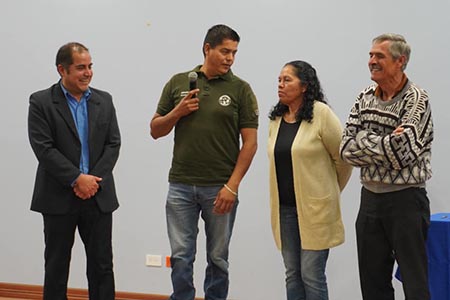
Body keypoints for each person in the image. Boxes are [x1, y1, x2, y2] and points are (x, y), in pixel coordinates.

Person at [150, 24, 258, 300]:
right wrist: (178, 111)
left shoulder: (240, 89)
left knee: (218, 259)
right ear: (207, 49)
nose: (230, 58)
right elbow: (155, 130)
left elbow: (250, 143)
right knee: (181, 257)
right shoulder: (177, 82)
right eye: (224, 51)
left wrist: (232, 186)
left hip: (220, 188)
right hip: (181, 186)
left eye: (234, 53)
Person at [340, 33, 433, 300]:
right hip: (369, 200)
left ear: (400, 61)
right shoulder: (364, 97)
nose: (371, 61)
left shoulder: (416, 99)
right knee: (372, 283)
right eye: (371, 55)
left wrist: (366, 142)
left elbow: (401, 153)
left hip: (407, 202)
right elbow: (345, 149)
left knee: (415, 283)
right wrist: (386, 141)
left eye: (379, 56)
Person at [27, 42, 121, 300]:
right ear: (62, 70)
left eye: (90, 66)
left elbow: (113, 144)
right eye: (80, 67)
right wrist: (76, 179)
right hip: (58, 197)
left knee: (102, 266)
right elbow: (44, 149)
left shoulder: (104, 100)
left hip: (98, 196)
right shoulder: (41, 102)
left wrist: (92, 182)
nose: (88, 72)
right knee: (57, 266)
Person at [267, 60, 352, 300]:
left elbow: (343, 158)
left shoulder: (321, 114)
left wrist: (330, 191)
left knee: (312, 274)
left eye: (287, 80)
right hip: (284, 210)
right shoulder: (276, 119)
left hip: (316, 210)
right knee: (293, 274)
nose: (281, 85)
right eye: (279, 80)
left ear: (304, 85)